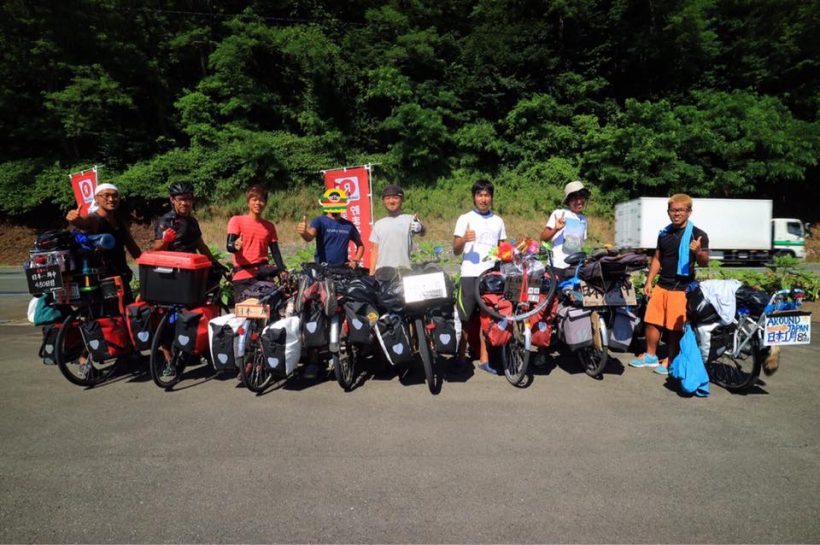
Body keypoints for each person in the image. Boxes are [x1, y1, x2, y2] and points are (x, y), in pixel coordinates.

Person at [629, 194, 709, 375]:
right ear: (668, 212)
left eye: (680, 210)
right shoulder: (664, 233)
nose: (676, 213)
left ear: (689, 212)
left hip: (682, 287)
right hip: (662, 285)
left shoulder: (698, 235)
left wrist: (698, 252)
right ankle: (650, 356)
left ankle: (671, 360)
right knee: (652, 321)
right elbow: (658, 258)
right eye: (673, 210)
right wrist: (649, 281)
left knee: (675, 328)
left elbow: (704, 262)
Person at [452, 179, 507, 375]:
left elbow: (503, 248)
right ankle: (460, 356)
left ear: (491, 197)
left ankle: (485, 358)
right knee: (465, 317)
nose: (484, 199)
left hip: (491, 276)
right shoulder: (465, 218)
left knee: (487, 317)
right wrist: (464, 239)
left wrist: (509, 253)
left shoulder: (498, 221)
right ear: (474, 197)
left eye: (487, 195)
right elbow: (456, 250)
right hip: (469, 274)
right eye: (480, 195)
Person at [65, 182, 142, 303]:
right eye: (106, 196)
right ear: (96, 199)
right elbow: (83, 223)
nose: (111, 199)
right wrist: (74, 219)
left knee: (126, 308)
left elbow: (133, 248)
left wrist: (148, 265)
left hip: (121, 274)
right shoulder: (93, 219)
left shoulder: (119, 221)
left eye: (115, 196)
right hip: (101, 278)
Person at [226, 184, 287, 299]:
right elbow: (229, 246)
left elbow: (275, 251)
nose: (258, 203)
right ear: (248, 202)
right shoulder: (236, 221)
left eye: (261, 200)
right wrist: (235, 246)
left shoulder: (269, 226)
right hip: (243, 276)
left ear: (265, 203)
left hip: (264, 275)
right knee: (248, 309)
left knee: (273, 306)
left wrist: (282, 271)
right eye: (254, 200)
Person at [296, 188, 364, 268]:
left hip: (342, 268)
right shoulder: (319, 221)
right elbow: (309, 236)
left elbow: (360, 245)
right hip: (323, 268)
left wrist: (356, 260)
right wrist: (303, 232)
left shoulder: (348, 225)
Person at [369, 184, 425, 276]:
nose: (391, 201)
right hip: (381, 273)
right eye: (387, 198)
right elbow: (375, 250)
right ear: (383, 201)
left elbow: (422, 233)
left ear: (402, 199)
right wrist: (371, 274)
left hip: (403, 272)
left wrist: (420, 228)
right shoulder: (378, 224)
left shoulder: (410, 219)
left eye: (395, 198)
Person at [154, 182, 219, 261]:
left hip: (191, 264)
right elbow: (157, 251)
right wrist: (165, 241)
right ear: (172, 200)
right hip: (173, 264)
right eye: (180, 199)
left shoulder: (192, 221)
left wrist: (215, 263)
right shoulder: (165, 221)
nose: (184, 203)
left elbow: (201, 246)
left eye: (188, 199)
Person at [541, 180, 590, 278]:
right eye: (575, 198)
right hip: (557, 266)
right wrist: (556, 229)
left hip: (574, 267)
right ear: (568, 201)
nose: (579, 201)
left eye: (581, 197)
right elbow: (543, 238)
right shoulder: (559, 213)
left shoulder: (583, 219)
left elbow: (579, 244)